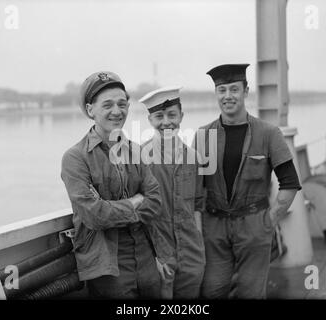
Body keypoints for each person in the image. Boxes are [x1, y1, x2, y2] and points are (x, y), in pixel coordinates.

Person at [194, 64, 302, 299]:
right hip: (214, 228)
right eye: (222, 90)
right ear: (216, 93)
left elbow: (290, 183)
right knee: (212, 290)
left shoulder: (269, 133)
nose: (228, 96)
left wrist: (269, 221)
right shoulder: (203, 135)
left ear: (246, 91)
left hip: (254, 225)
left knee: (251, 293)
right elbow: (195, 188)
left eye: (234, 89)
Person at [61, 71, 167, 299]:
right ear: (91, 110)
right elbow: (94, 215)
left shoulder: (136, 151)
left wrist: (113, 207)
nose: (117, 111)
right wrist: (135, 201)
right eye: (107, 105)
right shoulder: (75, 158)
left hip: (146, 256)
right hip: (106, 263)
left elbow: (155, 202)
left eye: (122, 104)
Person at [139, 86, 205, 299]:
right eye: (159, 116)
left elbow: (197, 206)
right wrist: (153, 258)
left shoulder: (194, 157)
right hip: (159, 256)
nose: (166, 122)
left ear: (181, 117)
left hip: (191, 255)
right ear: (150, 120)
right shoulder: (139, 158)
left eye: (172, 115)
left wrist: (199, 250)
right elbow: (139, 215)